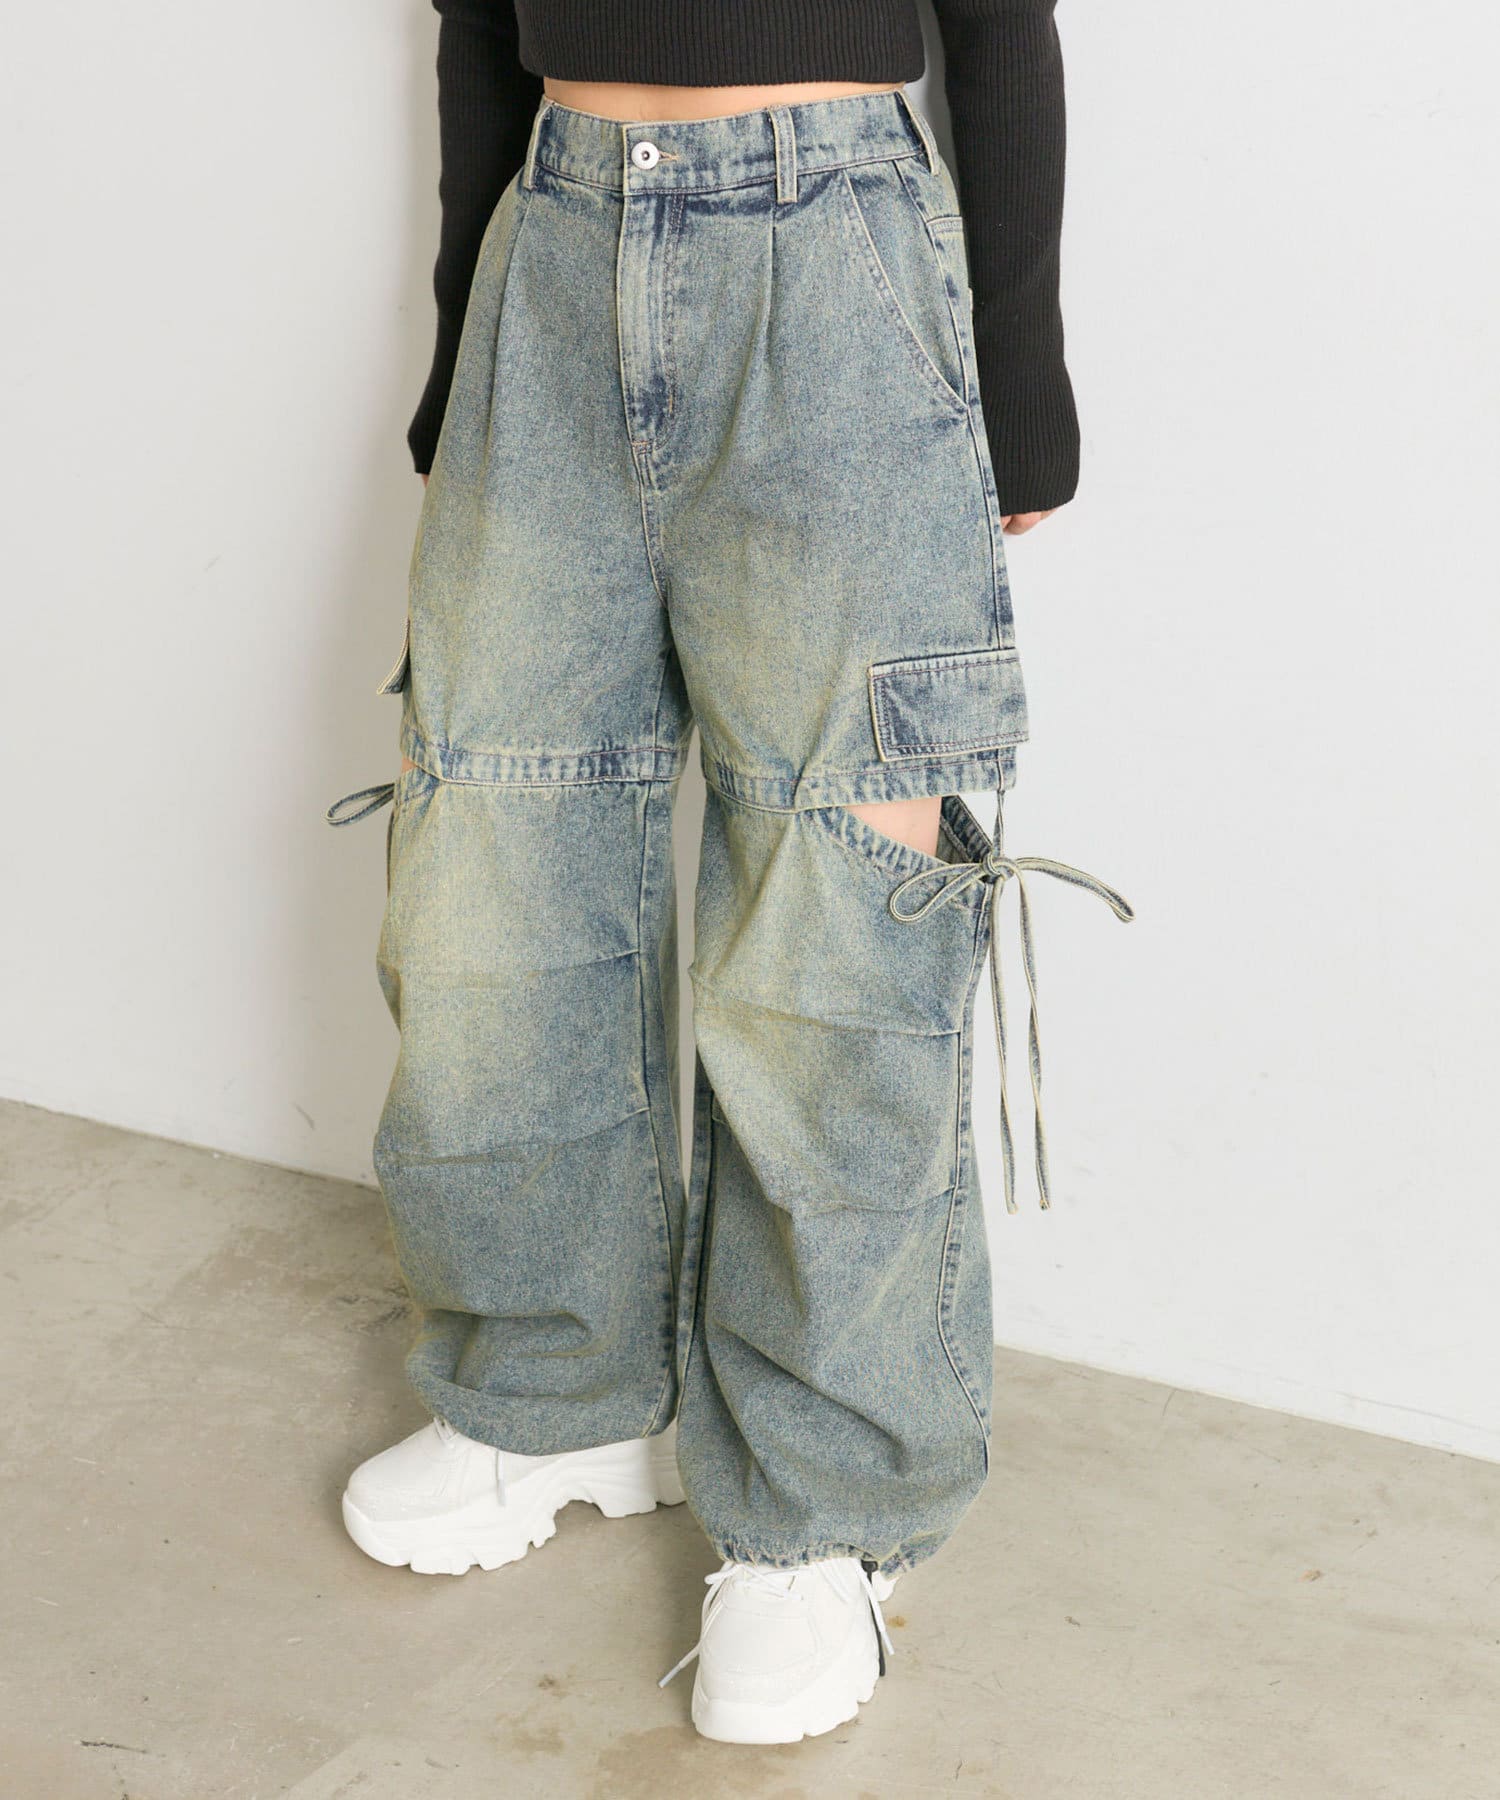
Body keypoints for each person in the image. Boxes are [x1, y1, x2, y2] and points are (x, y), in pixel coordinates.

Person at [326, 0, 1131, 1747]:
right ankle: (552, 1386)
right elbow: (475, 21)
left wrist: (1019, 369)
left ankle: (826, 1510)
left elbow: (1000, 24)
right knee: (489, 864)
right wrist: (468, 333)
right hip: (553, 236)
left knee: (840, 903)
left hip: (833, 248)